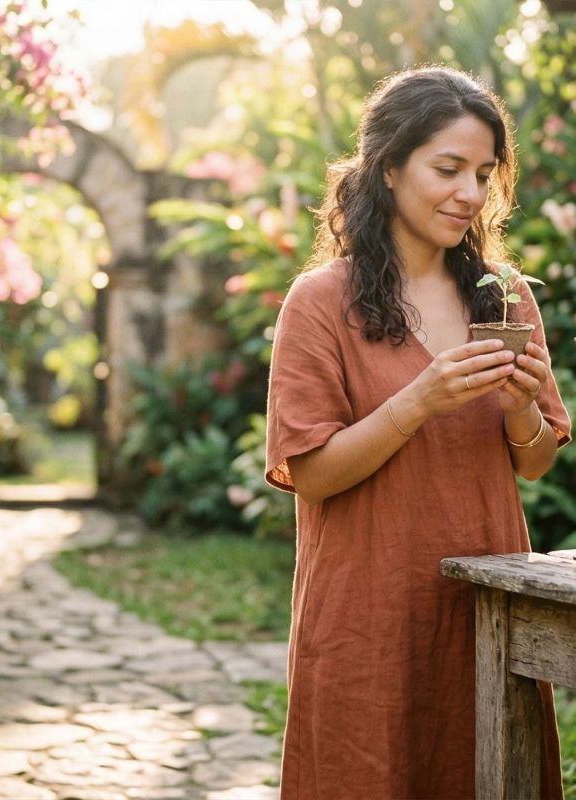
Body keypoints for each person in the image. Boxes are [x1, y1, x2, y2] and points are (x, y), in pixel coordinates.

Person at [265, 66, 572, 800]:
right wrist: (419, 400)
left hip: (490, 606)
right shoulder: (320, 302)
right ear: (390, 167)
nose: (469, 193)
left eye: (483, 173)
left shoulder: (504, 295)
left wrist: (518, 407)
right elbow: (311, 473)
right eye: (448, 169)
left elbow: (532, 465)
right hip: (368, 612)